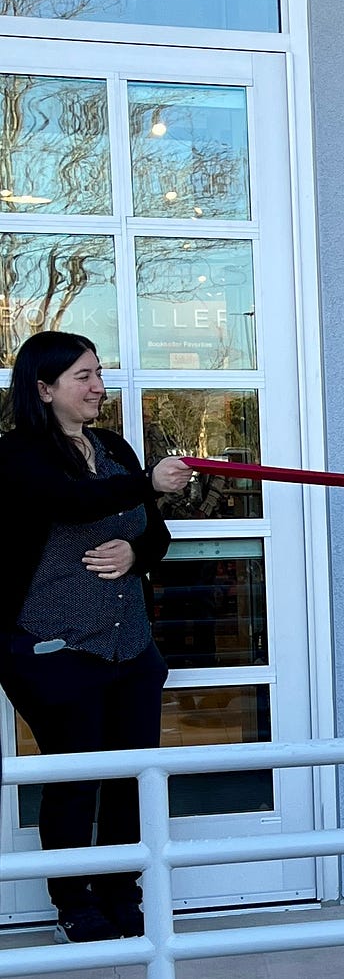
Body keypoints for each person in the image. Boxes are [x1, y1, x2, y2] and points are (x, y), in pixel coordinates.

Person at [0, 332, 192, 941]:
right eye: (83, 376)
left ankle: (119, 889)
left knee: (133, 777)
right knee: (76, 777)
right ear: (44, 388)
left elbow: (154, 535)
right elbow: (70, 502)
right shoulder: (17, 454)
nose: (98, 387)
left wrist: (135, 553)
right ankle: (72, 900)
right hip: (54, 649)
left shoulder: (112, 447)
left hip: (130, 647)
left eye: (99, 374)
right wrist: (146, 484)